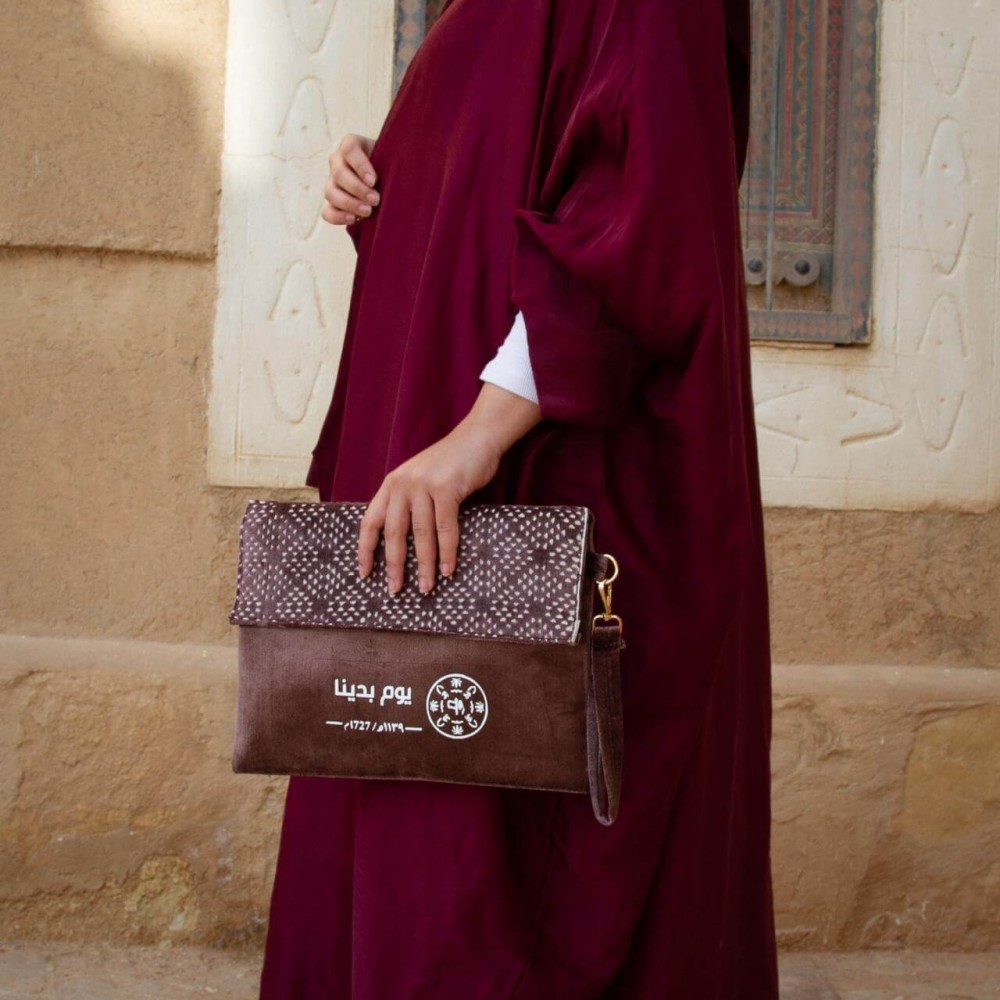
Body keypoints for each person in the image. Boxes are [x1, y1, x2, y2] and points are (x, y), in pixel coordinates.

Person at [259, 0, 779, 995]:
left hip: (531, 476)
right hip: (445, 447)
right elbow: (523, 155)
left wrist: (475, 440)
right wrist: (394, 170)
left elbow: (637, 218)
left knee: (488, 880)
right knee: (410, 832)